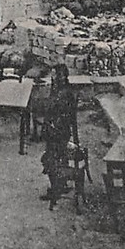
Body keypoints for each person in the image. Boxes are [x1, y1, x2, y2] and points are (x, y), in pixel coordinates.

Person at [41, 64, 76, 207]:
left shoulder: (63, 93)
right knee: (54, 158)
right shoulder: (60, 90)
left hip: (58, 132)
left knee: (50, 159)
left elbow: (57, 112)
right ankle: (60, 184)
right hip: (56, 131)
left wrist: (51, 126)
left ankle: (57, 187)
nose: (52, 77)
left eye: (55, 75)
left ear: (61, 77)